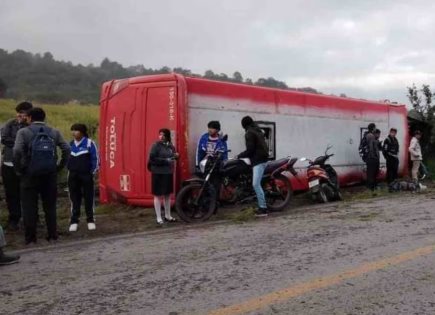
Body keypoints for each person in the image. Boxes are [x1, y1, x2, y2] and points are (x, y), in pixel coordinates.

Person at [13, 107, 70, 244]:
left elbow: (16, 151)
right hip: (50, 174)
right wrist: (59, 167)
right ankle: (52, 235)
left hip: (29, 175)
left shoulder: (23, 132)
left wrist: (19, 169)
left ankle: (31, 239)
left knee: (29, 207)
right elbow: (66, 148)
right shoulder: (54, 132)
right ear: (44, 118)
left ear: (30, 118)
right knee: (50, 207)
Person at [1, 101, 33, 230]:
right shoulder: (10, 123)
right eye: (18, 113)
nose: (20, 115)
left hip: (26, 165)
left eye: (23, 113)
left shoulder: (32, 126)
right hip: (9, 163)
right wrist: (20, 143)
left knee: (28, 193)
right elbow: (4, 138)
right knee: (11, 193)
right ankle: (14, 218)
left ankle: (31, 219)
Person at [67, 124, 99, 232]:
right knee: (74, 198)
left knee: (88, 197)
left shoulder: (90, 143)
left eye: (76, 130)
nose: (74, 133)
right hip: (73, 175)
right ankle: (74, 221)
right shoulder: (70, 144)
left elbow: (96, 158)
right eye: (73, 130)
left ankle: (90, 220)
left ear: (82, 132)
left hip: (86, 174)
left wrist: (92, 172)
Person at [236, 116, 269, 217]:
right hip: (263, 159)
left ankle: (263, 208)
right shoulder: (257, 130)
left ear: (243, 125)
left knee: (255, 184)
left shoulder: (249, 133)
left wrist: (239, 155)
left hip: (258, 161)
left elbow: (250, 150)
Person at [148, 128, 179, 225]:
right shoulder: (155, 145)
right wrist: (165, 161)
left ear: (167, 136)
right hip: (157, 173)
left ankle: (168, 215)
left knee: (167, 195)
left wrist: (177, 156)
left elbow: (173, 156)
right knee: (157, 195)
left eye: (163, 135)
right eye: (160, 134)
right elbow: (152, 159)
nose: (161, 136)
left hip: (168, 173)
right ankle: (158, 217)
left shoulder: (171, 146)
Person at [196, 121, 228, 200]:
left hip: (216, 166)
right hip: (206, 165)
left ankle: (214, 204)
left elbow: (225, 153)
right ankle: (205, 204)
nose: (210, 129)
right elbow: (199, 152)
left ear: (217, 130)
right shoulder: (204, 137)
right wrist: (197, 165)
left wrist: (224, 164)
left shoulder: (222, 140)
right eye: (209, 127)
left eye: (212, 128)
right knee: (205, 185)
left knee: (215, 185)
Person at [366, 128, 381, 194]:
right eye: (378, 134)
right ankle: (371, 188)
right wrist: (374, 157)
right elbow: (371, 150)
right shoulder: (372, 140)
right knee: (372, 174)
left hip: (373, 159)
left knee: (373, 174)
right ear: (375, 134)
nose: (379, 135)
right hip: (372, 160)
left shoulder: (375, 140)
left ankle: (372, 187)